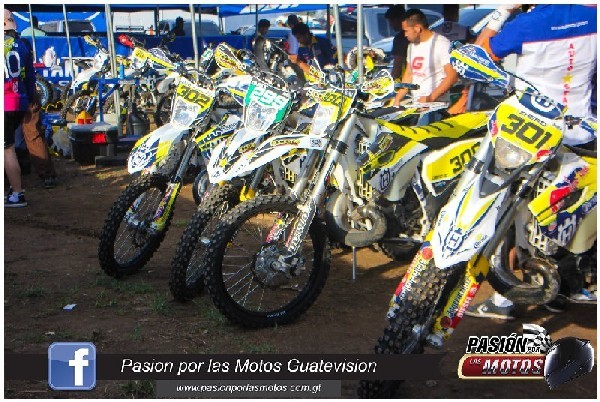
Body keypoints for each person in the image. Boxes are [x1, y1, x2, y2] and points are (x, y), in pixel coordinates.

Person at [465, 4, 597, 320]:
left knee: (511, 213)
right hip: (581, 131)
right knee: (566, 212)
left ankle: (505, 298)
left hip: (532, 134)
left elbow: (477, 56)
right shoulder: (594, 18)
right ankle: (561, 289)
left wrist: (502, 11)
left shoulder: (527, 23)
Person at [393, 9, 458, 107]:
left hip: (436, 106)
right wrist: (397, 99)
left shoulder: (442, 44)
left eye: (406, 31)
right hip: (416, 104)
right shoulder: (411, 46)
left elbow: (452, 76)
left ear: (417, 28)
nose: (405, 35)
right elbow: (409, 74)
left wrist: (430, 98)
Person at [5, 9, 36, 207]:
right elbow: (30, 76)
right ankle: (13, 188)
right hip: (20, 100)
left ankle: (17, 193)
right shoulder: (23, 44)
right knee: (10, 146)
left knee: (7, 149)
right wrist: (30, 98)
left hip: (5, 101)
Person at [384, 5, 408, 80]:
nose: (390, 25)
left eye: (390, 22)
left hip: (406, 79)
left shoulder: (400, 38)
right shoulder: (417, 35)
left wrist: (391, 80)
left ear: (397, 20)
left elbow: (398, 64)